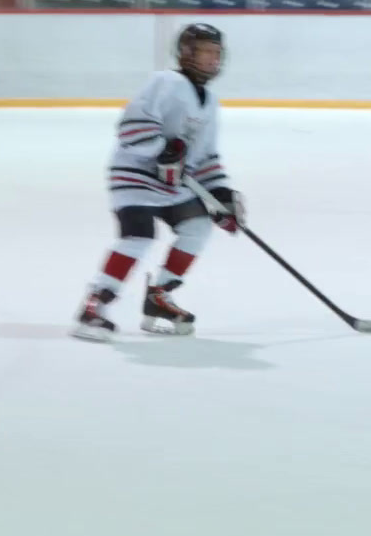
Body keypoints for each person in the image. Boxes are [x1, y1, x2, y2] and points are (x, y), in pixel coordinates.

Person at [73, 24, 245, 341]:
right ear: (186, 53)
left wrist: (220, 193)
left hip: (173, 184)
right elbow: (131, 127)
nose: (212, 59)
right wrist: (159, 149)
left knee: (198, 226)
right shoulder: (165, 82)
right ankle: (95, 303)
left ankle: (159, 298)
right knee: (139, 236)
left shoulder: (211, 102)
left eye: (216, 52)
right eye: (205, 51)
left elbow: (205, 157)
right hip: (135, 176)